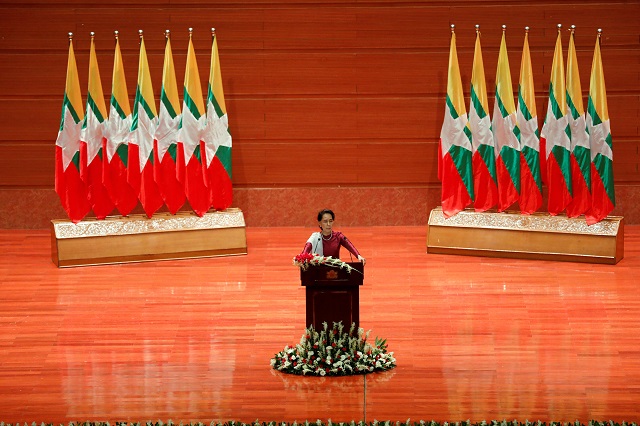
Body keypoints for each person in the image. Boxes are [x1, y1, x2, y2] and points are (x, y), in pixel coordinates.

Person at [301, 209, 366, 265]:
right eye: (325, 221)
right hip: (319, 272)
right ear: (319, 223)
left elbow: (349, 245)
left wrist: (358, 256)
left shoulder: (338, 236)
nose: (328, 224)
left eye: (330, 221)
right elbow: (306, 249)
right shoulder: (315, 238)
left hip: (335, 271)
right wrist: (302, 259)